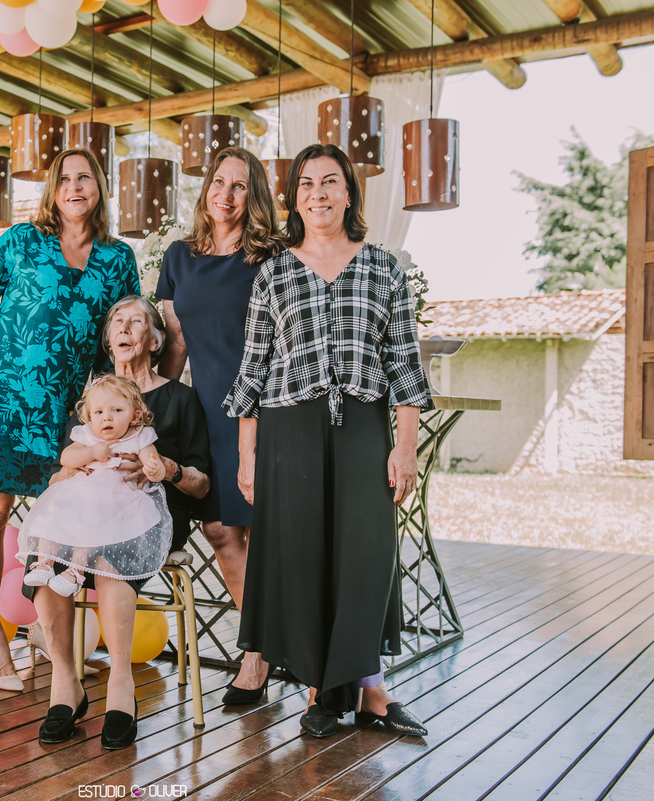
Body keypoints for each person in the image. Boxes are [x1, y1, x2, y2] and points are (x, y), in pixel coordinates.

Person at [224, 143, 433, 739]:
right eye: (307, 184)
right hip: (289, 429)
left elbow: (404, 364)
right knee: (304, 558)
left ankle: (372, 693)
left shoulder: (384, 268)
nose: (318, 194)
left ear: (348, 193)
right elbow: (254, 368)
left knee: (365, 557)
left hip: (363, 427)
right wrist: (247, 455)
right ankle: (320, 691)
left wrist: (406, 445)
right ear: (294, 199)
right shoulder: (274, 272)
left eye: (330, 182)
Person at [0, 149, 139, 693]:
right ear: (52, 190)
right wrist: (1, 359)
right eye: (64, 179)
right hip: (0, 399)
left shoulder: (118, 258)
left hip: (67, 409)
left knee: (63, 521)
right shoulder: (19, 240)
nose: (74, 187)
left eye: (84, 178)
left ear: (99, 187)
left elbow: (120, 334)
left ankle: (49, 638)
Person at [26, 295, 211, 750]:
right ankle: (65, 684)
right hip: (86, 511)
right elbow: (61, 467)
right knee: (44, 557)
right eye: (117, 322)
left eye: (137, 321)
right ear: (109, 340)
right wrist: (77, 470)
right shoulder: (94, 400)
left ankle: (121, 685)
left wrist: (166, 469)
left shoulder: (180, 399)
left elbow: (202, 484)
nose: (125, 329)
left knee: (111, 557)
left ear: (156, 340)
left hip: (148, 515)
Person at [156, 146, 281, 704]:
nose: (225, 195)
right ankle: (259, 649)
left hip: (269, 410)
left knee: (272, 534)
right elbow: (176, 342)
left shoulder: (273, 256)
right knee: (221, 531)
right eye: (218, 182)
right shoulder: (178, 257)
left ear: (254, 197)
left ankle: (280, 652)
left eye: (240, 185)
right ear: (206, 187)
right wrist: (149, 405)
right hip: (207, 411)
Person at [18, 374, 172, 598]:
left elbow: (153, 460)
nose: (106, 417)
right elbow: (66, 458)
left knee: (92, 523)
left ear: (135, 416)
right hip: (79, 493)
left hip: (117, 499)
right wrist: (91, 452)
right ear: (90, 417)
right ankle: (44, 564)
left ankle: (75, 572)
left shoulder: (139, 435)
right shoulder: (87, 434)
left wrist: (155, 470)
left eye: (117, 410)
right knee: (54, 512)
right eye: (99, 412)